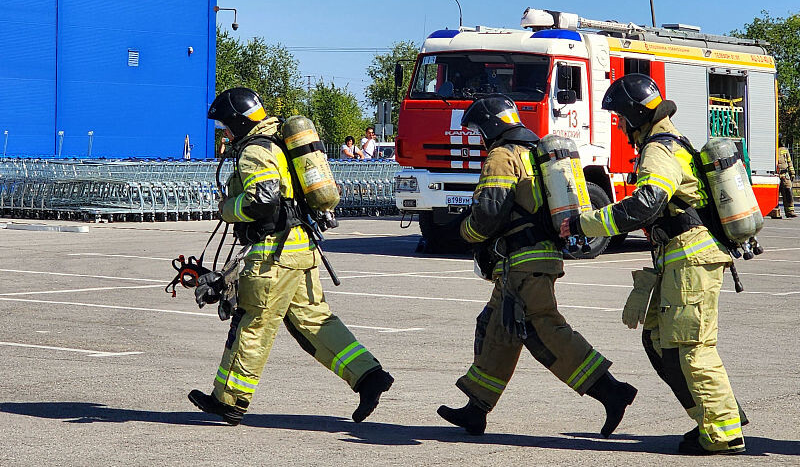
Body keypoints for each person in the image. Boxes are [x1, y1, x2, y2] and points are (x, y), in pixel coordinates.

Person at [561, 74, 746, 455]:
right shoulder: (671, 141)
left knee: (690, 347)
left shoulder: (658, 149)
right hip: (681, 259)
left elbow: (646, 204)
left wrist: (585, 223)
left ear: (634, 116)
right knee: (659, 341)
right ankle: (715, 416)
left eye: (620, 118)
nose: (620, 126)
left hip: (690, 258)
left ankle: (723, 432)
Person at [189, 87, 393, 426]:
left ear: (238, 122)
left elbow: (262, 201)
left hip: (274, 253)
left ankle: (229, 400)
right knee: (315, 320)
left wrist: (227, 208)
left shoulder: (255, 150)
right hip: (300, 247)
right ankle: (369, 376)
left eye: (226, 125)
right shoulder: (280, 141)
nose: (225, 133)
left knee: (253, 323)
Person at [437, 94, 637, 438]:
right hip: (532, 258)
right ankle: (476, 408)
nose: (480, 138)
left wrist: (462, 233)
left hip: (523, 262)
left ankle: (611, 392)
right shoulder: (533, 152)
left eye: (479, 131)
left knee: (545, 332)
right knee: (497, 327)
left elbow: (489, 213)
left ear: (489, 127)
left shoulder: (502, 155)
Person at [773, 135, 796, 218]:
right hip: (775, 175)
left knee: (788, 192)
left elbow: (789, 162)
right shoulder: (772, 149)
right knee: (775, 195)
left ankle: (790, 211)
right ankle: (775, 212)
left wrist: (792, 172)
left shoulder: (784, 150)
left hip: (784, 174)